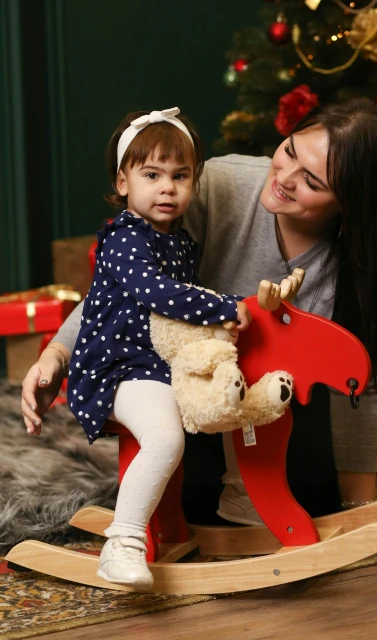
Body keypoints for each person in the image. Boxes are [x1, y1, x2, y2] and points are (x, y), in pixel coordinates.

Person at [21, 98, 377, 541]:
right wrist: (58, 353)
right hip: (195, 393)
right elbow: (125, 282)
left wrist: (361, 514)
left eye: (310, 180)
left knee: (308, 482)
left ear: (350, 202)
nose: (283, 177)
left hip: (276, 405)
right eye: (288, 151)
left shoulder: (359, 268)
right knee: (192, 481)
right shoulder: (216, 186)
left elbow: (363, 389)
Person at [61, 106, 251, 589]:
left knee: (235, 398)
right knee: (167, 438)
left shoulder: (178, 241)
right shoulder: (125, 238)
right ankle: (121, 542)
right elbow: (156, 294)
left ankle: (239, 493)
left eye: (179, 176)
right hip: (117, 368)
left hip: (157, 366)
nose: (167, 187)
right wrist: (223, 306)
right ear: (124, 181)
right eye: (152, 174)